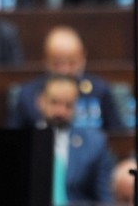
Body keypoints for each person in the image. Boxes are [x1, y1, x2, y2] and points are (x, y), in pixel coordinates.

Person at [8, 26, 125, 131]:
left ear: (83, 57)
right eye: (58, 63)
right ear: (46, 60)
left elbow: (119, 137)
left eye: (71, 63)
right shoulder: (28, 94)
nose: (65, 71)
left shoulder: (100, 91)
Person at [37, 74, 115, 205]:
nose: (60, 111)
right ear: (41, 101)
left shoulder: (95, 144)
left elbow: (105, 198)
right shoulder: (25, 142)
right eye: (54, 102)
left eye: (68, 105)